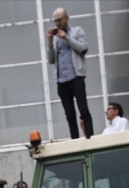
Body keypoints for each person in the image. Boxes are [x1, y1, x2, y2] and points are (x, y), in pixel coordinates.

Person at [46, 7, 92, 139]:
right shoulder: (55, 39)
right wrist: (50, 42)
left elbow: (83, 48)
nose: (57, 23)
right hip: (61, 81)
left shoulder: (77, 31)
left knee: (83, 109)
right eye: (55, 21)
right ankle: (75, 140)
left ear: (66, 18)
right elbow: (51, 60)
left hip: (76, 77)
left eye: (59, 20)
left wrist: (67, 38)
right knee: (69, 114)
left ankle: (90, 137)